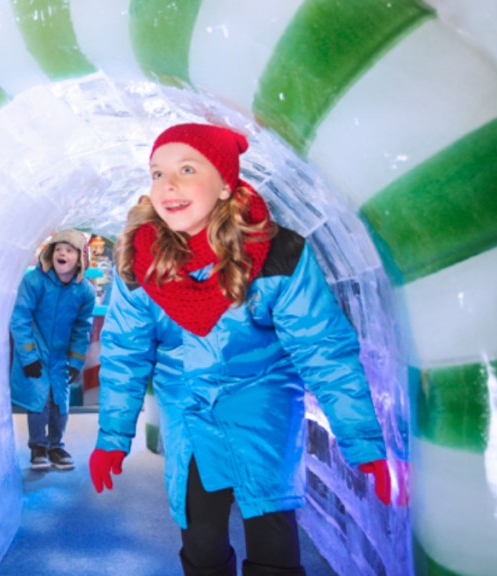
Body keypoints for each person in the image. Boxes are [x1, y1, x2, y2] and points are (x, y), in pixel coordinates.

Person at [88, 123, 392, 576]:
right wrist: (112, 437)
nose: (167, 185)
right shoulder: (140, 260)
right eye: (157, 173)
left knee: (272, 535)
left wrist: (361, 438)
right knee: (202, 540)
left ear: (226, 184)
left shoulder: (276, 252)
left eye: (186, 169)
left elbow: (322, 348)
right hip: (189, 412)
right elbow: (125, 352)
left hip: (262, 407)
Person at [10, 229, 96, 471]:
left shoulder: (84, 291)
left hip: (61, 355)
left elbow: (82, 328)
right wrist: (28, 355)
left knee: (60, 401)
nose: (62, 253)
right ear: (50, 253)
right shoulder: (34, 281)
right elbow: (20, 317)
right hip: (36, 349)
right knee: (39, 399)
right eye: (58, 249)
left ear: (80, 258)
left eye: (69, 250)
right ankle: (38, 445)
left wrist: (76, 362)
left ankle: (56, 445)